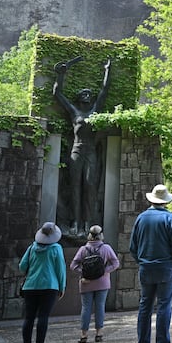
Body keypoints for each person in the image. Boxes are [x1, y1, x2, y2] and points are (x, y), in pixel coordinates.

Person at [52, 56, 111, 237]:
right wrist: (61, 75)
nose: (87, 95)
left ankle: (87, 224)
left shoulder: (95, 111)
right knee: (75, 187)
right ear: (78, 98)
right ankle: (75, 223)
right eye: (83, 93)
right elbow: (57, 94)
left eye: (88, 94)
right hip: (76, 150)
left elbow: (104, 91)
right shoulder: (74, 112)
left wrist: (108, 69)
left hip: (91, 152)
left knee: (89, 186)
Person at [129, 184, 172, 343]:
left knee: (145, 307)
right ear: (166, 200)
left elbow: (133, 246)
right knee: (163, 306)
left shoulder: (141, 218)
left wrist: (142, 261)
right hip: (166, 267)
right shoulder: (170, 218)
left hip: (146, 268)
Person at [19, 222, 67, 343]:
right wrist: (62, 286)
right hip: (49, 286)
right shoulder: (56, 248)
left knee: (29, 317)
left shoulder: (32, 248)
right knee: (43, 316)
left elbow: (22, 266)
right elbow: (60, 269)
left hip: (30, 286)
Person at [70, 224, 120, 343]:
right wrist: (104, 271)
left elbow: (73, 265)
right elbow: (115, 263)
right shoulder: (106, 248)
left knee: (86, 308)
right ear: (101, 235)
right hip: (102, 282)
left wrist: (84, 273)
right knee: (100, 307)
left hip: (86, 282)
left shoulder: (83, 249)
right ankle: (99, 333)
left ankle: (84, 335)